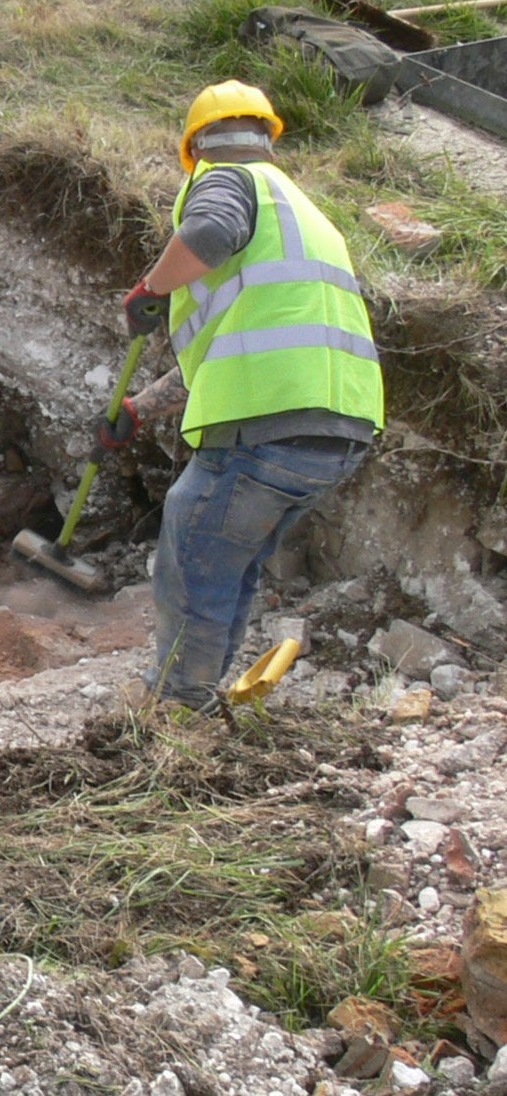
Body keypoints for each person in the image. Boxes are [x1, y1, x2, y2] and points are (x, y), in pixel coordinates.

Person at [105, 81, 383, 707]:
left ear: (195, 148)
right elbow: (246, 343)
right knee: (229, 560)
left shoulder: (229, 180)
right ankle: (196, 696)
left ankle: (176, 705)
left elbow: (209, 231)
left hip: (266, 424)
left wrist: (150, 287)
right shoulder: (304, 214)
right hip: (336, 427)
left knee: (194, 547)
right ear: (271, 140)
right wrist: (139, 409)